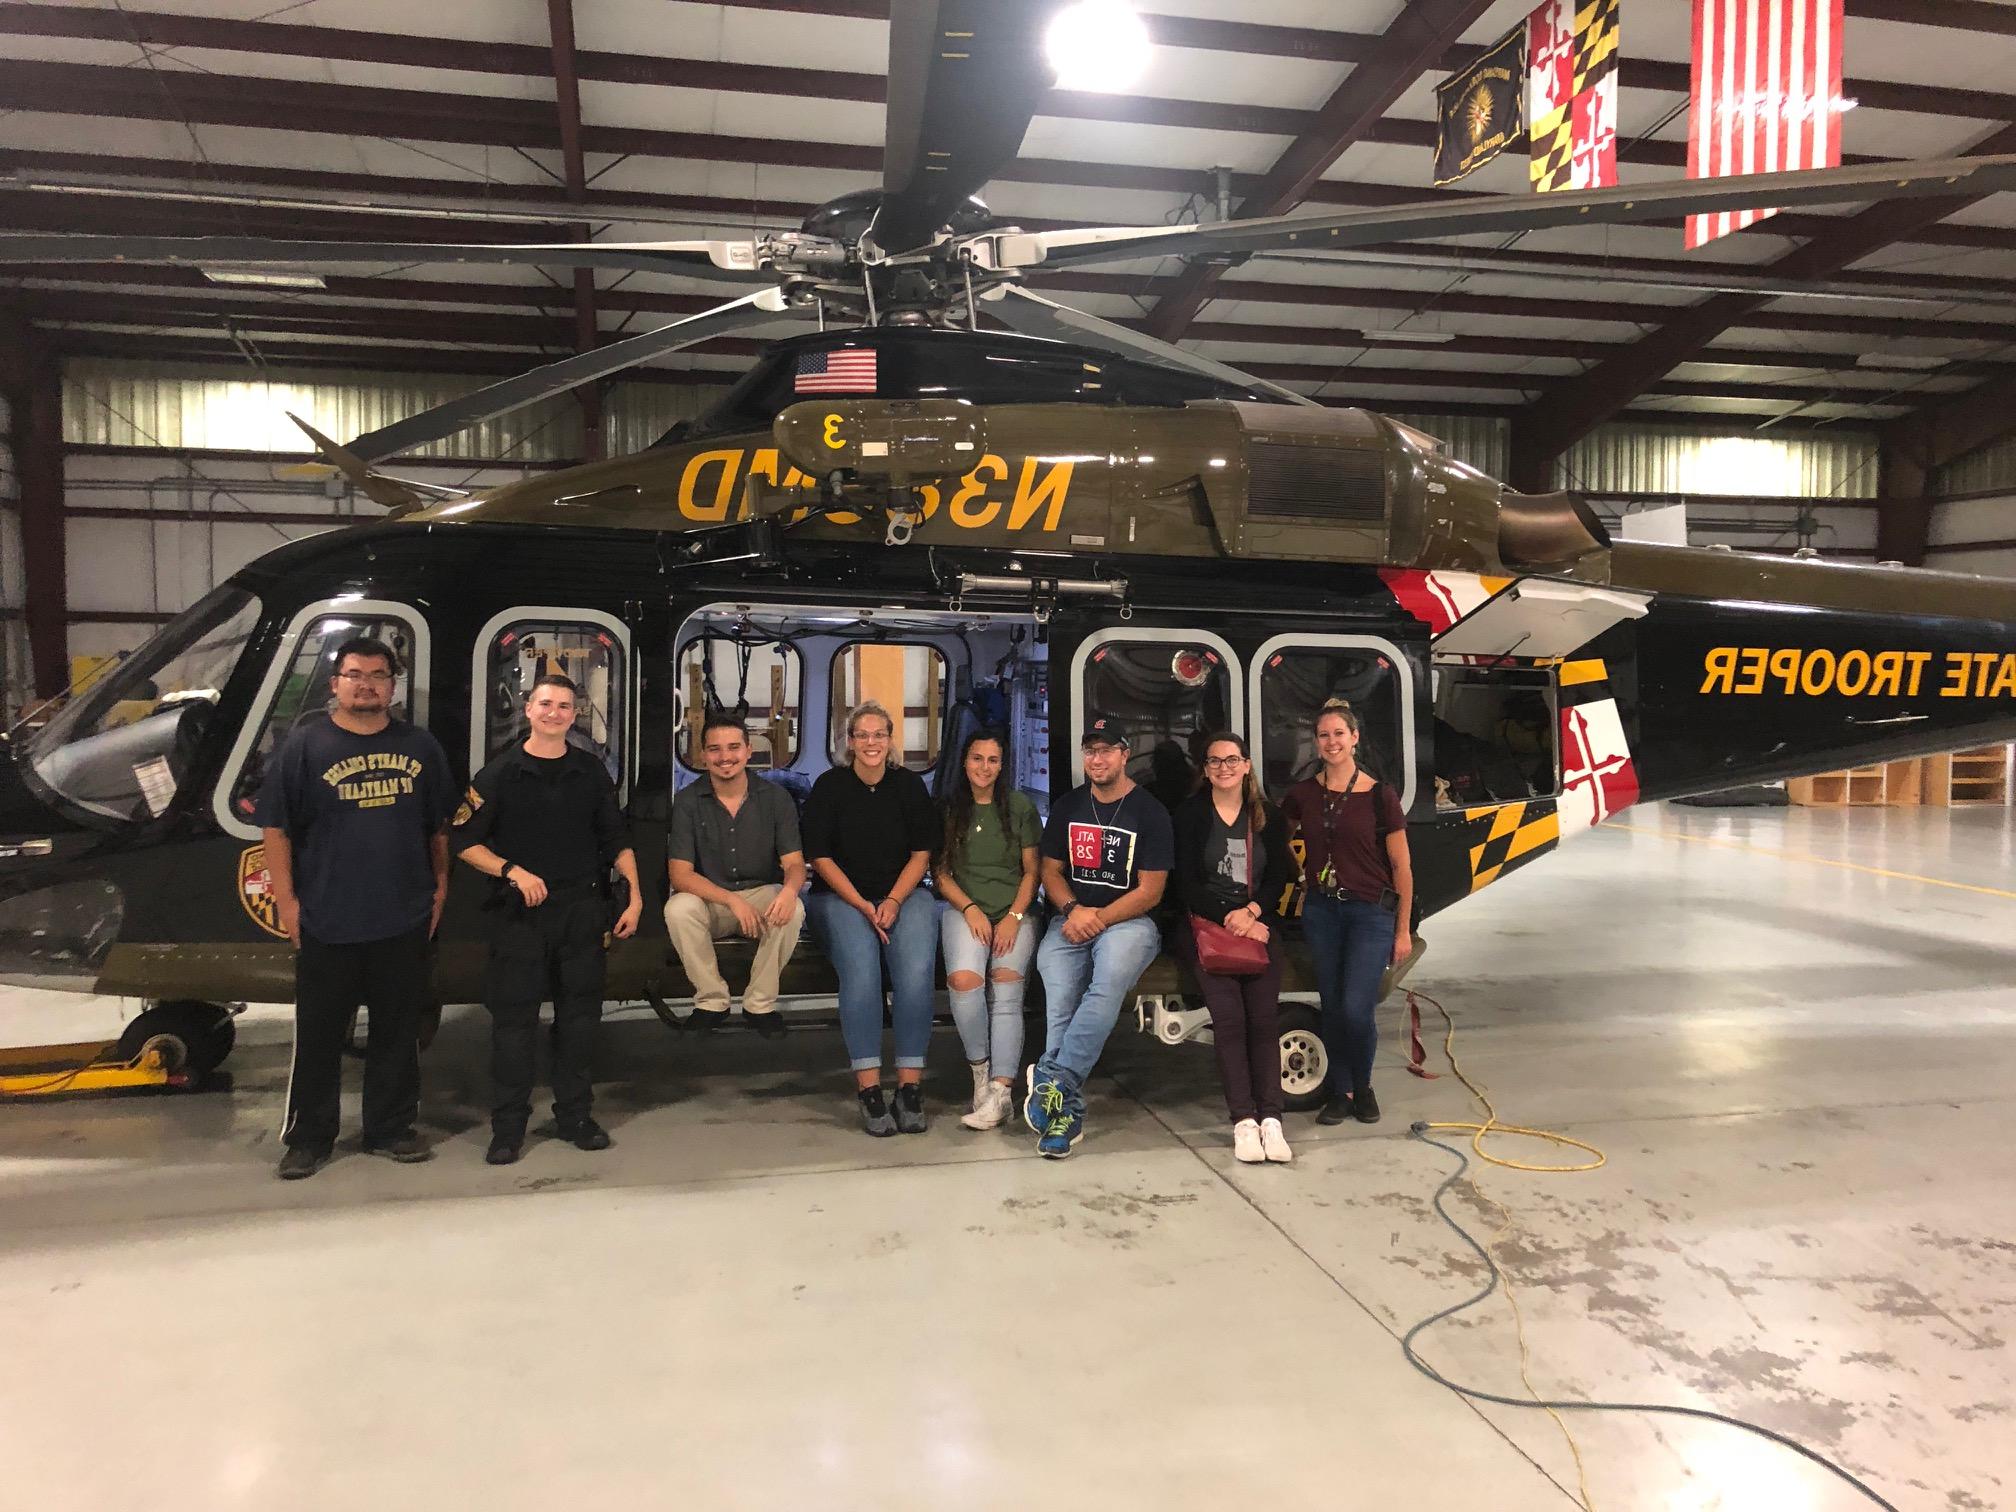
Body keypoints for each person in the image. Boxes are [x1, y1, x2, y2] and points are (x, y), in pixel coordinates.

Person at [258, 636, 454, 1179]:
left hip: (403, 915)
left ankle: (390, 1128)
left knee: (397, 1032)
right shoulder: (303, 746)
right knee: (320, 1034)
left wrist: (439, 889)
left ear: (393, 685)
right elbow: (275, 828)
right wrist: (287, 901)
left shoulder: (421, 747)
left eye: (377, 674)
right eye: (354, 674)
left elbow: (439, 827)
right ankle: (309, 1138)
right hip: (326, 917)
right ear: (335, 683)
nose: (366, 683)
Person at [452, 673, 642, 1165]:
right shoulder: (498, 774)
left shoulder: (591, 772)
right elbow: (464, 842)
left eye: (563, 705)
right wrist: (511, 871)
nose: (554, 712)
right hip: (520, 917)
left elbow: (616, 839)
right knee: (514, 1025)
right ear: (528, 709)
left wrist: (635, 896)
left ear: (574, 714)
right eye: (545, 703)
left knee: (579, 1022)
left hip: (582, 912)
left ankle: (575, 1116)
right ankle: (508, 1128)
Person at [1025, 716, 1172, 1158]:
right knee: (1060, 992)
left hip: (1129, 923)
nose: (1097, 758)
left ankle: (1053, 1079)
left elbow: (1151, 891)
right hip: (1072, 919)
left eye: (1107, 750)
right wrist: (1072, 910)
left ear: (1125, 755)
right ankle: (1065, 1114)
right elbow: (1050, 872)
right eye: (1090, 751)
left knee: (1106, 984)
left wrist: (1099, 919)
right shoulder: (1069, 806)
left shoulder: (1150, 812)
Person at [802, 700, 939, 1136]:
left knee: (916, 975)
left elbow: (922, 854)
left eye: (879, 734)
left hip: (904, 894)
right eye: (862, 735)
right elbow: (819, 857)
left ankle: (910, 1089)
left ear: (891, 739)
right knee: (861, 972)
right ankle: (869, 1089)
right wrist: (862, 904)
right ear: (849, 741)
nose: (871, 743)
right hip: (840, 898)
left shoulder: (909, 787)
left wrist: (895, 900)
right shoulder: (830, 786)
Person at [1280, 698, 1414, 1127]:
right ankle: (1342, 1092)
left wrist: (1403, 928)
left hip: (1370, 914)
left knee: (1357, 1007)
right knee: (1333, 1005)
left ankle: (1365, 1084)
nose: (1332, 741)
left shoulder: (1380, 796)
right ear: (1316, 742)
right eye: (1324, 735)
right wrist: (1301, 875)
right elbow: (1280, 842)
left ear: (1354, 738)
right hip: (1322, 912)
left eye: (1339, 733)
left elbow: (1402, 867)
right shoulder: (1303, 794)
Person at [1173, 731, 1296, 1164]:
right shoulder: (1190, 815)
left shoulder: (1268, 817)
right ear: (1205, 770)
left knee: (1264, 1020)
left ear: (1246, 766)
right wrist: (1232, 918)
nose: (1223, 768)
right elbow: (1185, 881)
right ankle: (1243, 1122)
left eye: (1232, 760)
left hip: (1256, 925)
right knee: (1229, 1020)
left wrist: (1256, 913)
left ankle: (1272, 1122)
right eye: (1214, 761)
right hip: (1206, 928)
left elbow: (1282, 874)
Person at [665, 711, 807, 1039]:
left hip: (760, 897)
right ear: (702, 755)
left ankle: (760, 1004)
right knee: (679, 908)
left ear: (748, 751)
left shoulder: (775, 799)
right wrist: (731, 901)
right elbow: (681, 875)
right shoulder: (687, 802)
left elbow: (795, 864)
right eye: (714, 749)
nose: (725, 757)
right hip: (712, 901)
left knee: (794, 908)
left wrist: (788, 893)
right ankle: (711, 1001)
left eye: (733, 747)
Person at [932, 729, 1040, 1130]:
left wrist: (1013, 917)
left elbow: (1033, 872)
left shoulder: (1019, 807)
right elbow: (940, 873)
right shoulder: (949, 810)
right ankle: (980, 1073)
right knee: (964, 981)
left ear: (1002, 765)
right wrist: (971, 909)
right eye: (977, 759)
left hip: (1015, 910)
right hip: (965, 908)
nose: (984, 767)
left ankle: (1000, 1092)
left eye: (993, 760)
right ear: (964, 762)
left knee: (1007, 984)